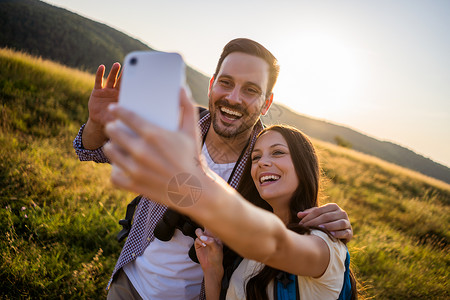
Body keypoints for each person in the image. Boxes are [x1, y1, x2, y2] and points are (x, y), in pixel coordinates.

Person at [73, 38, 353, 299]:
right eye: (226, 83)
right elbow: (93, 151)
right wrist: (97, 123)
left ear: (267, 102)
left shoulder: (264, 166)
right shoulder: (177, 125)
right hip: (131, 282)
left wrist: (330, 222)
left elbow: (285, 229)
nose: (233, 98)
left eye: (251, 90)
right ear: (211, 85)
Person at [194, 124, 357, 299]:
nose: (262, 162)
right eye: (256, 157)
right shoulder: (245, 258)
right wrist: (212, 272)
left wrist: (201, 198)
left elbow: (277, 247)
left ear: (303, 164)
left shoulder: (324, 242)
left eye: (277, 152)